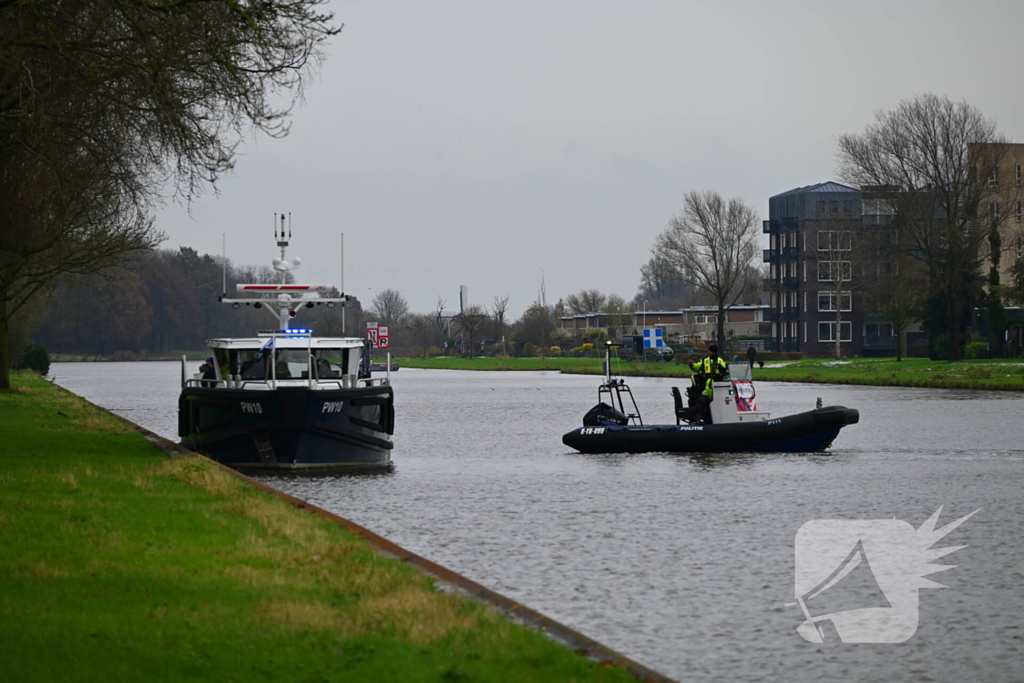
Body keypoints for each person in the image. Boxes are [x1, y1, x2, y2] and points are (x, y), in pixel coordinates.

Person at [687, 344, 729, 423]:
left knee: (717, 403)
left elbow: (726, 370)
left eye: (710, 351)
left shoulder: (721, 361)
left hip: (718, 385)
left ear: (714, 352)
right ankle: (698, 419)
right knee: (702, 401)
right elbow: (697, 367)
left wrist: (722, 369)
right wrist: (691, 364)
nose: (708, 352)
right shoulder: (705, 360)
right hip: (707, 385)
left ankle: (714, 419)